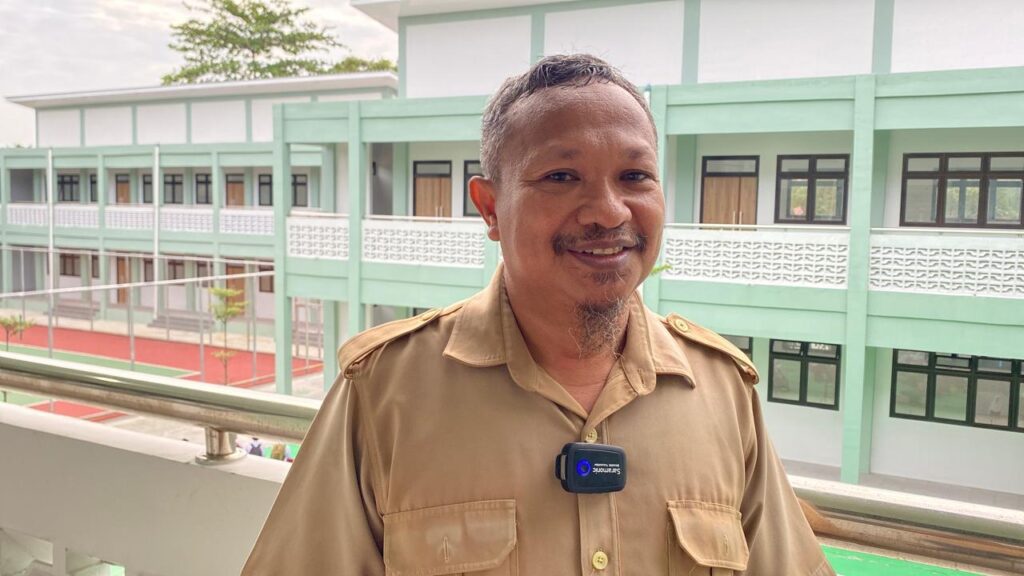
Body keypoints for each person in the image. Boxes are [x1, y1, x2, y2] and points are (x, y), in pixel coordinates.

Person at [242, 54, 833, 575]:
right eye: (561, 177)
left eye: (634, 176)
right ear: (490, 208)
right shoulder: (385, 393)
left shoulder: (723, 392)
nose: (608, 212)